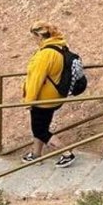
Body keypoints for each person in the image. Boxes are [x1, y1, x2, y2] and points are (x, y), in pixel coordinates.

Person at [22, 22, 77, 167]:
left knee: (40, 130)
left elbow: (36, 79)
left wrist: (29, 101)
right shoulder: (59, 46)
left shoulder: (45, 54)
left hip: (43, 99)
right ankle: (35, 154)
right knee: (41, 126)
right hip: (55, 97)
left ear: (39, 36)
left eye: (34, 37)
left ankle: (66, 153)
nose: (34, 40)